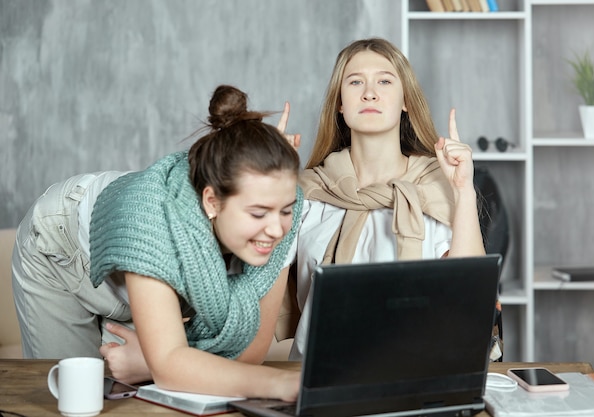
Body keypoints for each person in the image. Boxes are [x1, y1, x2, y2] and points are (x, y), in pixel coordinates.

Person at [11, 85, 303, 400]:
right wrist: (279, 384)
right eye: (258, 213)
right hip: (62, 252)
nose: (275, 229)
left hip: (143, 271)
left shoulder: (282, 212)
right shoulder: (153, 223)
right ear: (212, 202)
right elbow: (170, 365)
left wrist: (151, 363)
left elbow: (250, 352)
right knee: (74, 397)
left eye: (284, 209)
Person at [288, 37, 487, 360]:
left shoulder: (436, 189)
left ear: (405, 100)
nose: (369, 92)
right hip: (314, 385)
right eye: (355, 82)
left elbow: (469, 302)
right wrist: (264, 180)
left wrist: (464, 192)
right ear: (340, 103)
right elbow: (253, 293)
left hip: (418, 379)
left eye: (384, 80)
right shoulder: (306, 193)